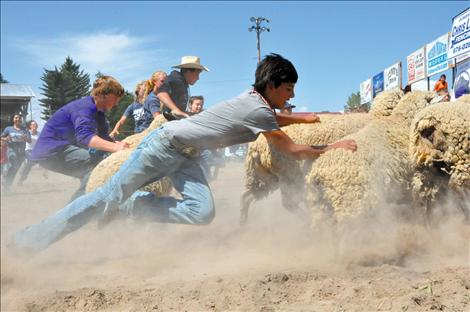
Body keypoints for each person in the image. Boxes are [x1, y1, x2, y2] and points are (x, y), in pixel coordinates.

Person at [12, 53, 357, 253]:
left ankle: (132, 205)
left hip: (185, 153)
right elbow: (292, 147)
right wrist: (332, 146)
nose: (290, 95)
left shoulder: (252, 100)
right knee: (105, 197)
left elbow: (276, 115)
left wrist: (309, 116)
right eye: (288, 89)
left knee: (202, 211)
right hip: (164, 146)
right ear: (271, 86)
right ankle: (28, 241)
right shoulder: (258, 109)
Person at [28, 75, 130, 201]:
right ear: (103, 94)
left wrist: (117, 144)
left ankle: (87, 206)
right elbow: (85, 137)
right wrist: (116, 147)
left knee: (93, 171)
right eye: (115, 99)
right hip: (52, 150)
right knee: (98, 167)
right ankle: (73, 213)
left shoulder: (99, 112)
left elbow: (104, 137)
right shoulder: (84, 108)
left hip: (60, 148)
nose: (116, 103)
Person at [1, 114, 31, 192]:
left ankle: (7, 186)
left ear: (21, 120)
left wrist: (25, 138)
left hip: (21, 153)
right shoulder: (8, 129)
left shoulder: (25, 130)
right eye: (16, 117)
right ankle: (5, 176)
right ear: (13, 119)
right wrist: (6, 138)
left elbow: (29, 141)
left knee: (15, 169)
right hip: (11, 150)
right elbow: (1, 138)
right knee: (14, 163)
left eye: (19, 118)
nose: (18, 119)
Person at [17, 120, 46, 185]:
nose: (34, 126)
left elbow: (42, 142)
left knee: (29, 165)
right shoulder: (27, 133)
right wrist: (24, 138)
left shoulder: (39, 133)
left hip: (37, 151)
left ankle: (21, 178)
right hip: (29, 150)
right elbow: (26, 140)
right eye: (33, 125)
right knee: (31, 161)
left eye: (36, 125)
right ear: (30, 126)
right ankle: (22, 176)